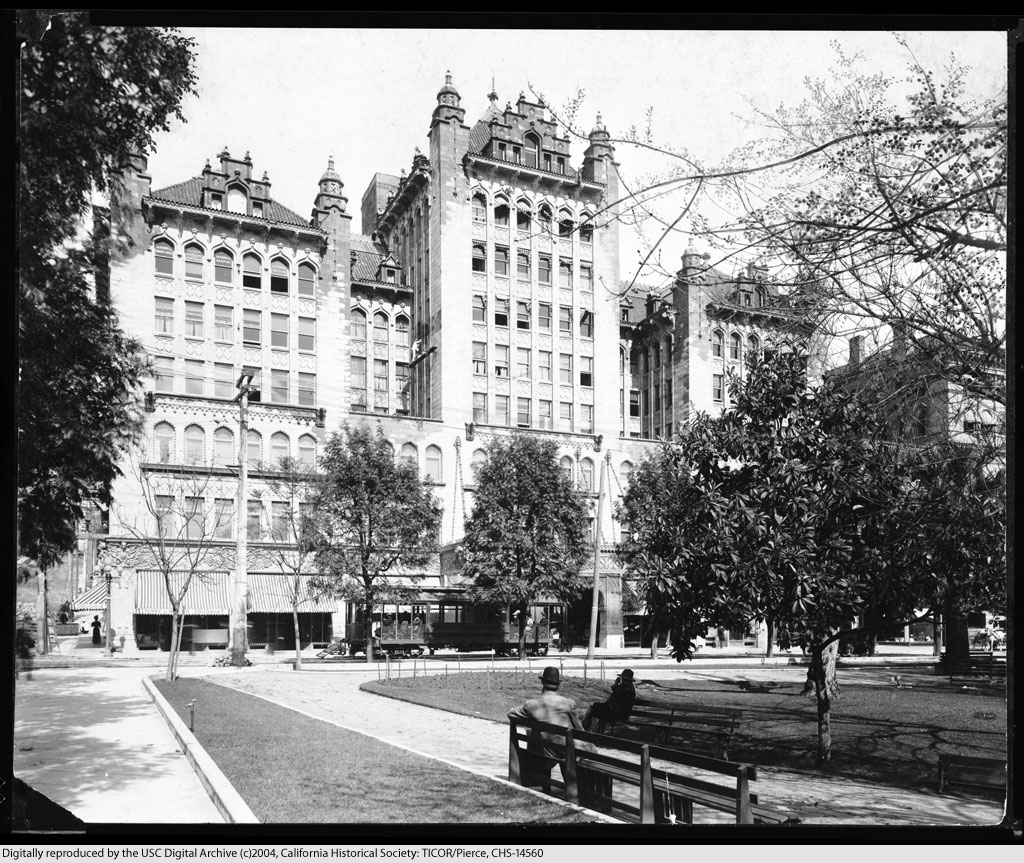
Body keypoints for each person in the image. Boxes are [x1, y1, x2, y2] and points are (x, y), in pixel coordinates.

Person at [508, 666, 583, 788]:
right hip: (565, 751)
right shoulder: (568, 703)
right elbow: (580, 730)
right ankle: (577, 789)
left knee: (537, 742)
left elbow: (511, 713)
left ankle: (542, 783)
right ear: (558, 685)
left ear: (543, 682)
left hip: (545, 751)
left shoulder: (531, 705)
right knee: (575, 749)